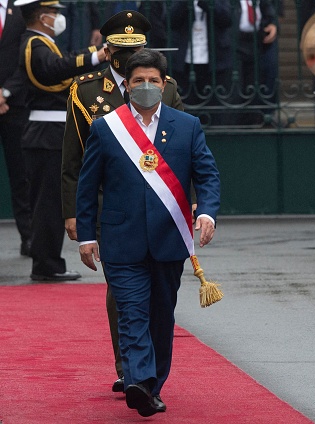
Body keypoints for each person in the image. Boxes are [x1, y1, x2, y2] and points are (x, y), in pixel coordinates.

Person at [76, 49, 220, 416]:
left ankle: (152, 384)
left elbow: (207, 175)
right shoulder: (106, 128)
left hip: (169, 239)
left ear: (164, 84)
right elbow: (87, 185)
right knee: (132, 312)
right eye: (138, 80)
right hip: (121, 241)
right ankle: (138, 381)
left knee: (160, 316)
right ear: (127, 85)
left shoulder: (187, 126)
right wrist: (87, 236)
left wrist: (206, 213)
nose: (146, 86)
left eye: (153, 80)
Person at [61, 9, 183, 394]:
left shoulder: (166, 86)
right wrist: (72, 214)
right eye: (121, 49)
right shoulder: (85, 91)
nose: (128, 56)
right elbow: (73, 160)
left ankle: (144, 366)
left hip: (159, 200)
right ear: (107, 48)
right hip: (107, 204)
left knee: (161, 290)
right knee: (123, 288)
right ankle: (129, 366)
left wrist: (189, 202)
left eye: (137, 48)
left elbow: (180, 152)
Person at [10, 0, 106, 280]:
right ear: (42, 17)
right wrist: (95, 56)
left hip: (48, 131)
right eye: (54, 13)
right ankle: (46, 265)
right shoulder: (34, 44)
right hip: (44, 132)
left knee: (51, 202)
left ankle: (50, 262)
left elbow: (62, 64)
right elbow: (55, 69)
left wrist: (93, 56)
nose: (57, 18)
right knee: (47, 204)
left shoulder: (41, 41)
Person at [0, 0, 32, 256]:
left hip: (14, 104)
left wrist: (5, 92)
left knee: (21, 174)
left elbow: (27, 57)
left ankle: (29, 237)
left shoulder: (21, 10)